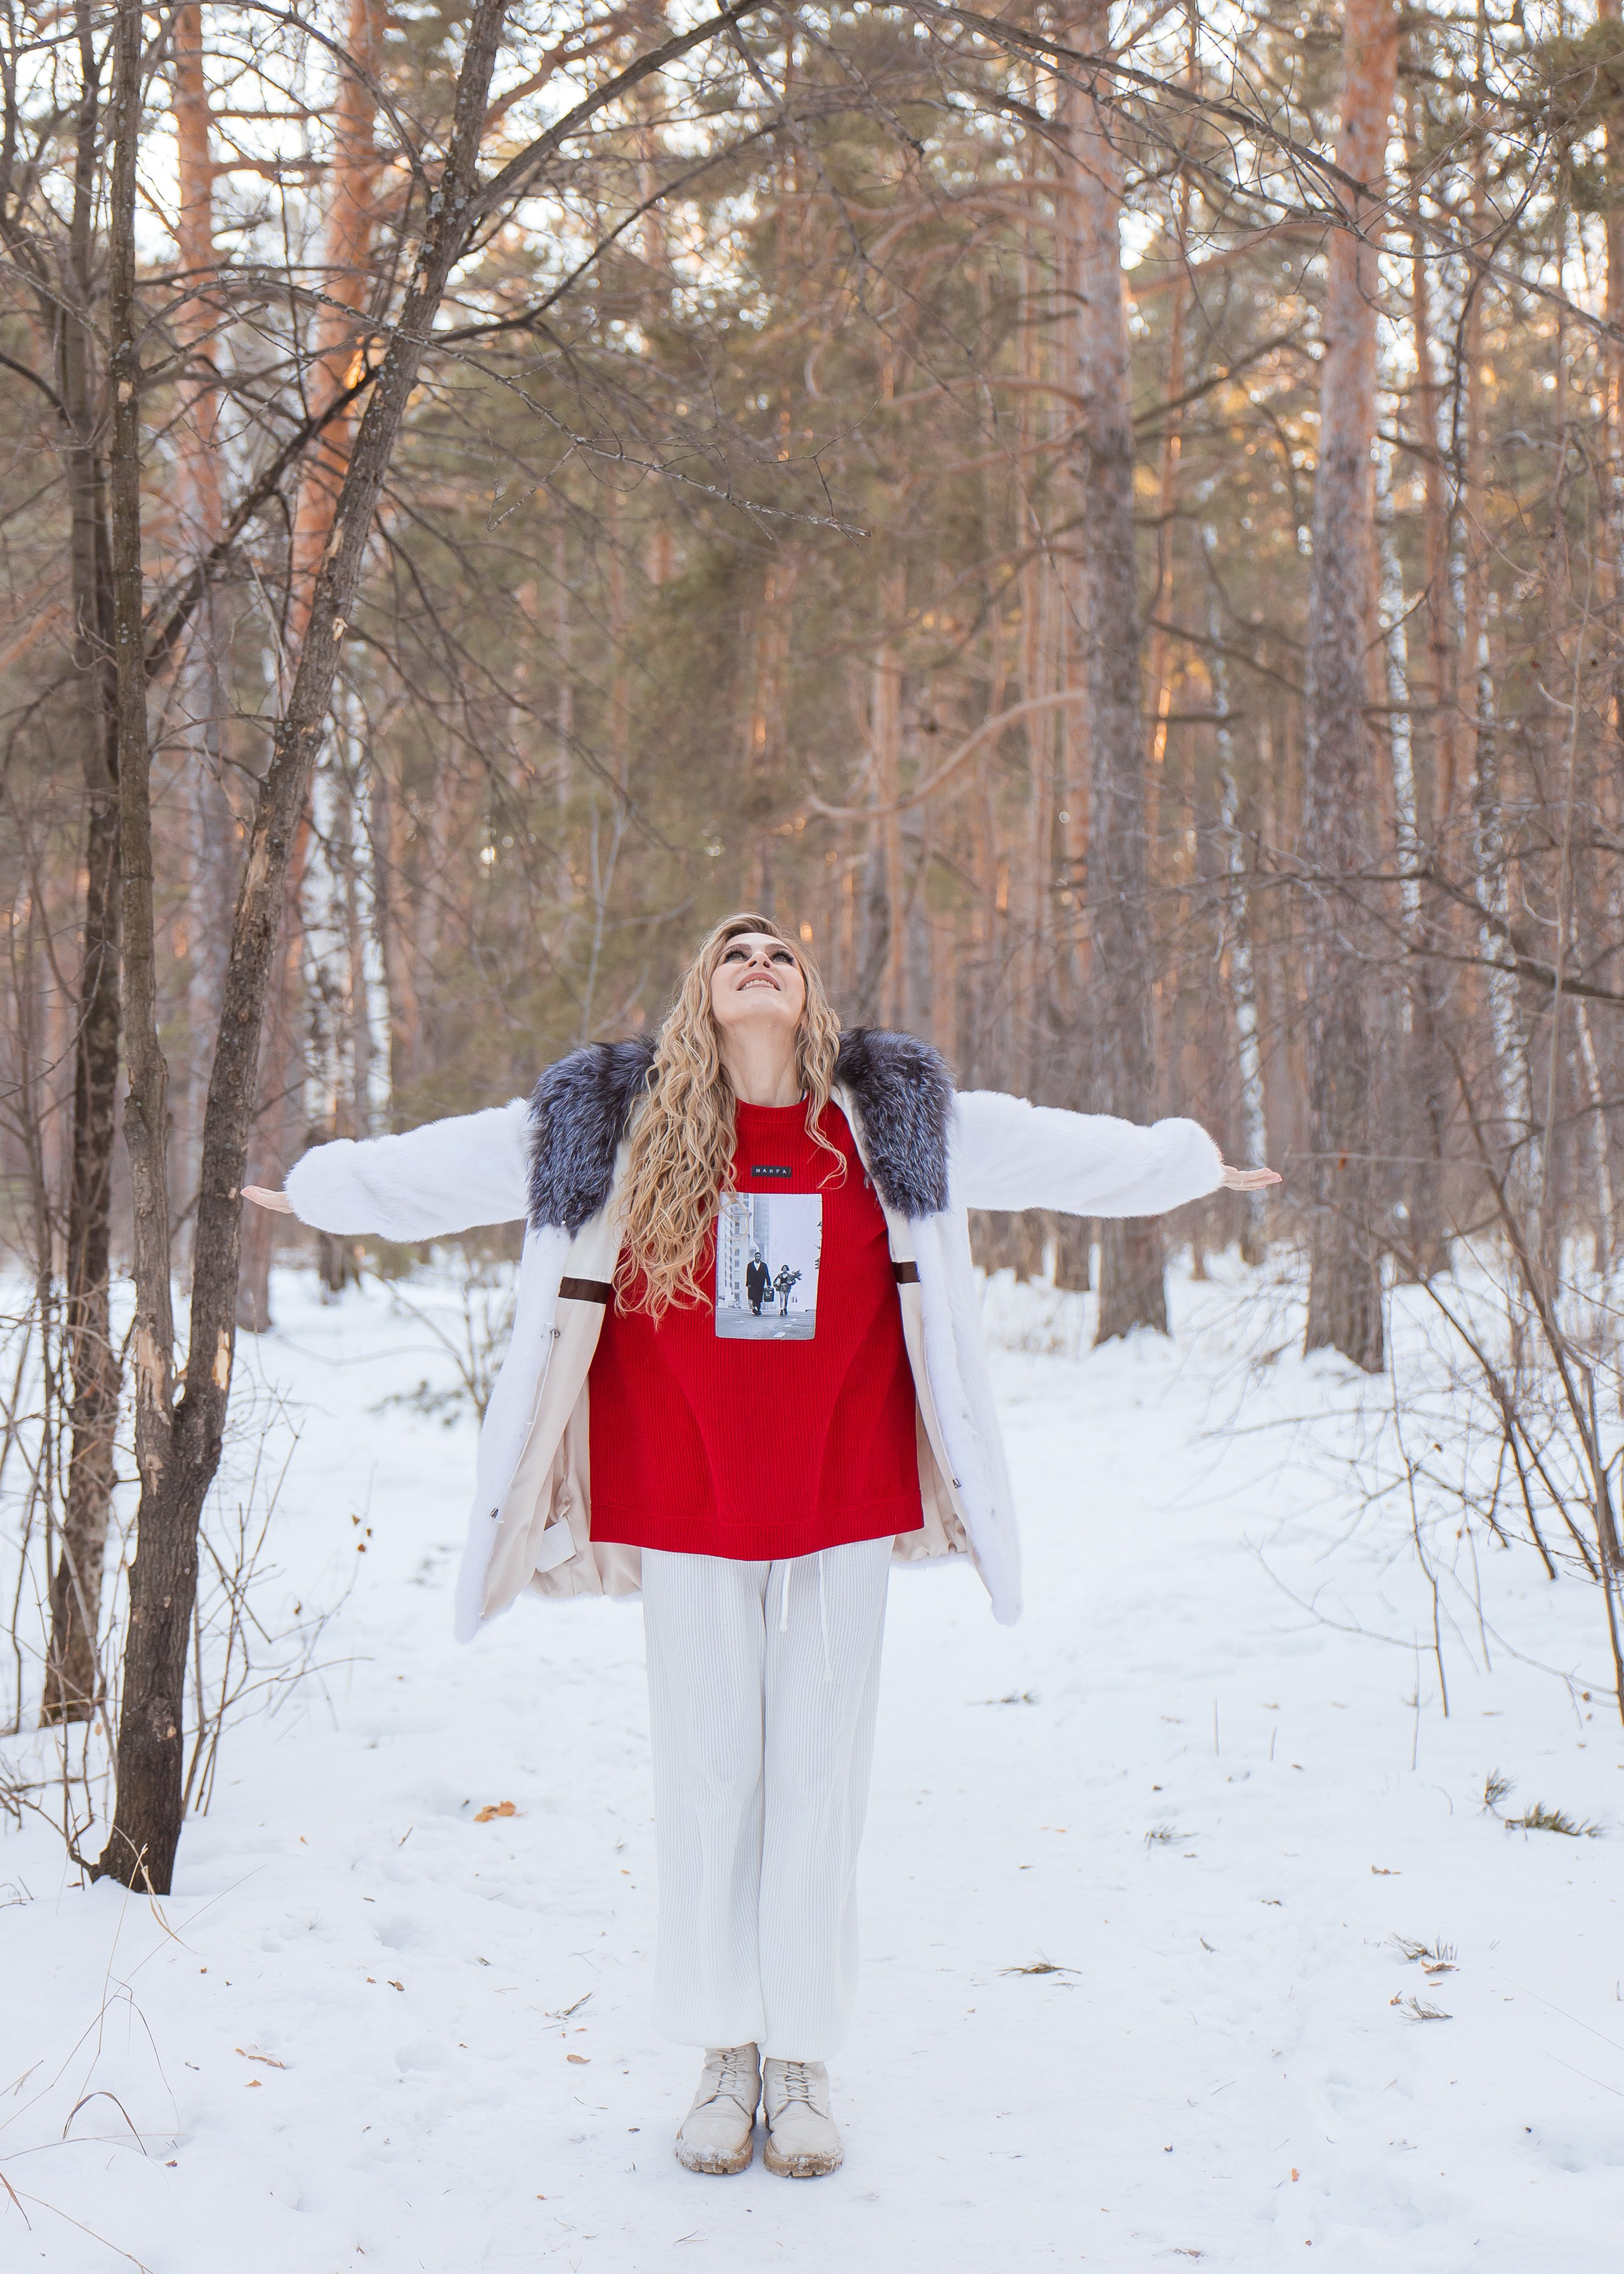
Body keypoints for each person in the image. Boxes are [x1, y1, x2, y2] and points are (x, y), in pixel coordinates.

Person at [245, 912, 1278, 2181]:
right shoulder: (609, 1117)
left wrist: (1187, 1169)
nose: (755, 959)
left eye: (777, 951)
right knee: (708, 1779)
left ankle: (800, 2057)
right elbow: (446, 1170)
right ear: (701, 990)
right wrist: (315, 1189)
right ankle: (720, 2050)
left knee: (817, 1783)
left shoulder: (886, 1116)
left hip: (839, 1496)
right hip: (684, 1501)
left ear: (805, 994)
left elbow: (1054, 1149)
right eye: (732, 950)